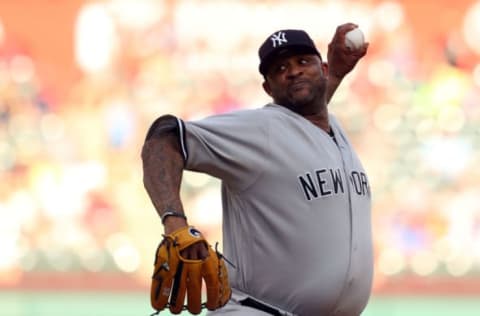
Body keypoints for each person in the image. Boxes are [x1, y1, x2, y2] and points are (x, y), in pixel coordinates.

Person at [142, 23, 372, 316]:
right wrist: (174, 222)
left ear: (323, 69)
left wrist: (337, 74)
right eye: (279, 69)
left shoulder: (328, 130)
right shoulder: (260, 130)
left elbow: (305, 117)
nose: (293, 71)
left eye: (303, 61)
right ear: (268, 88)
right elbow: (165, 135)